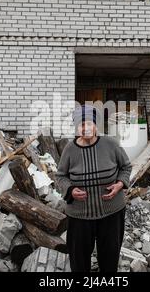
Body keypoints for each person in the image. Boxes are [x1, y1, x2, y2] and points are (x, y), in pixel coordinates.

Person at [55, 105, 132, 272]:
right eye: (81, 124)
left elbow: (126, 167)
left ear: (96, 125)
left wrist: (119, 184)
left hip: (111, 212)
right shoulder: (70, 149)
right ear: (76, 127)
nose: (86, 128)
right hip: (79, 215)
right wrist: (70, 190)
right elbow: (60, 176)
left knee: (109, 258)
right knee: (79, 260)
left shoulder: (111, 143)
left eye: (90, 123)